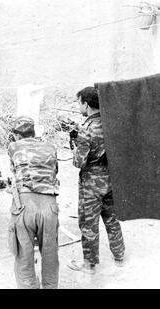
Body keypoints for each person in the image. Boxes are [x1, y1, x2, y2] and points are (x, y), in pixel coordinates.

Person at [67, 86, 125, 274]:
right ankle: (119, 257)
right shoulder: (112, 123)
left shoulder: (86, 130)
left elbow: (78, 162)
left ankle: (89, 265)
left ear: (86, 104)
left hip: (91, 184)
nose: (78, 106)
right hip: (111, 179)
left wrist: (76, 143)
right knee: (112, 219)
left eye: (79, 103)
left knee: (89, 224)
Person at [7, 116, 60, 289]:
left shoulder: (14, 147)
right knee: (50, 254)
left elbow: (14, 172)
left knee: (24, 255)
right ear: (33, 131)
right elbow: (54, 172)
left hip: (24, 205)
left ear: (16, 135)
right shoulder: (51, 147)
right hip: (49, 205)